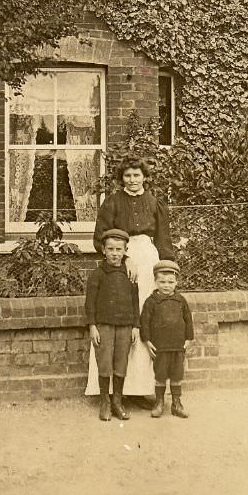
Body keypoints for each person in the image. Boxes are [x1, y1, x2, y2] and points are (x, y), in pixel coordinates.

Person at [85, 156, 175, 400]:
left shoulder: (155, 203)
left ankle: (144, 388)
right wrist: (124, 258)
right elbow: (100, 240)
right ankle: (118, 391)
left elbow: (164, 241)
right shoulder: (112, 203)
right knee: (123, 321)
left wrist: (166, 271)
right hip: (119, 266)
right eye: (127, 176)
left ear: (144, 177)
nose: (132, 180)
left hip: (150, 263)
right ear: (121, 179)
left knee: (147, 319)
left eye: (137, 175)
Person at [84, 229, 140, 421]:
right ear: (103, 250)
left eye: (119, 249)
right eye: (111, 249)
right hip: (104, 326)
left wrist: (135, 326)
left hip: (125, 325)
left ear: (125, 250)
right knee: (105, 363)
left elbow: (135, 301)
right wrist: (92, 326)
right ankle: (105, 402)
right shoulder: (97, 275)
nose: (115, 253)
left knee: (120, 363)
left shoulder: (130, 274)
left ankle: (117, 401)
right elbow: (90, 303)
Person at [140, 260, 194, 418]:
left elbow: (188, 319)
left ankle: (177, 404)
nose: (166, 285)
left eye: (170, 282)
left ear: (176, 282)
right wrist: (147, 341)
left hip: (177, 346)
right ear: (155, 282)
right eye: (162, 282)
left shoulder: (181, 301)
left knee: (177, 375)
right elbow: (145, 322)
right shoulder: (151, 302)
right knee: (160, 375)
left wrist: (188, 339)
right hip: (160, 346)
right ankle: (159, 402)